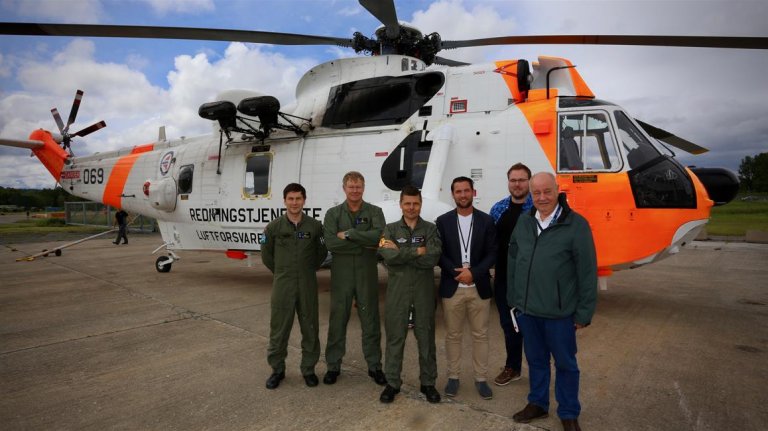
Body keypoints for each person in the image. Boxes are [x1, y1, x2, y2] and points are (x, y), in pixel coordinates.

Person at [507, 172, 597, 431]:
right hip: (528, 310)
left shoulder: (575, 225)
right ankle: (538, 403)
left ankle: (568, 412)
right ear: (531, 195)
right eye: (537, 193)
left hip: (560, 314)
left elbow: (587, 271)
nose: (542, 197)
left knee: (566, 364)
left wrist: (583, 313)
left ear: (557, 191)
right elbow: (513, 259)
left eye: (547, 191)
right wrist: (514, 298)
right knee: (535, 361)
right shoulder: (524, 223)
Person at [378, 185, 442, 404]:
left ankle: (428, 383)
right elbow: (388, 256)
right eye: (407, 203)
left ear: (420, 204)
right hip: (398, 293)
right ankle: (392, 383)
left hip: (423, 293)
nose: (411, 207)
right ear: (401, 204)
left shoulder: (431, 230)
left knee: (426, 339)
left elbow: (432, 257)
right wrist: (417, 251)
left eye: (415, 203)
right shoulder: (390, 230)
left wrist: (401, 253)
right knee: (395, 338)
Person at [436, 176, 497, 400]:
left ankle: (481, 379)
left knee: (480, 335)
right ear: (452, 195)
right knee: (453, 335)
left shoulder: (486, 221)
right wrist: (457, 272)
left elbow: (493, 252)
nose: (463, 195)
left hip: (478, 286)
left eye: (466, 191)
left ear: (474, 192)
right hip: (452, 287)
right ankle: (453, 377)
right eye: (458, 191)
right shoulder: (442, 222)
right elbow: (439, 253)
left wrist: (474, 272)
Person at [323, 171, 387, 386]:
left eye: (358, 187)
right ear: (344, 188)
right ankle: (333, 365)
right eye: (351, 187)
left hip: (366, 274)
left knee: (370, 320)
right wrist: (363, 243)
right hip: (341, 275)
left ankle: (375, 366)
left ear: (363, 188)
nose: (355, 190)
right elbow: (331, 243)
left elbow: (379, 237)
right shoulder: (333, 214)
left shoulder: (375, 212)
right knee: (338, 319)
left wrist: (350, 234)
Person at [261, 183, 327, 389]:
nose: (294, 203)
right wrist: (282, 272)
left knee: (310, 327)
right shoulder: (273, 228)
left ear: (304, 201)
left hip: (307, 283)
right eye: (291, 199)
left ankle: (308, 369)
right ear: (284, 201)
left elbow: (321, 253)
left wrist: (307, 270)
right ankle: (277, 370)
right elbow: (266, 256)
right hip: (283, 285)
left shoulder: (315, 227)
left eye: (298, 199)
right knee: (279, 329)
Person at [489, 163, 533, 386]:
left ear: (529, 181)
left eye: (522, 180)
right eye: (513, 180)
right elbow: (491, 243)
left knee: (534, 326)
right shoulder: (498, 209)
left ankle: (537, 370)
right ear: (508, 182)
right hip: (505, 279)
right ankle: (512, 367)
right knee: (509, 325)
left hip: (533, 280)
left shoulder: (539, 208)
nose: (517, 184)